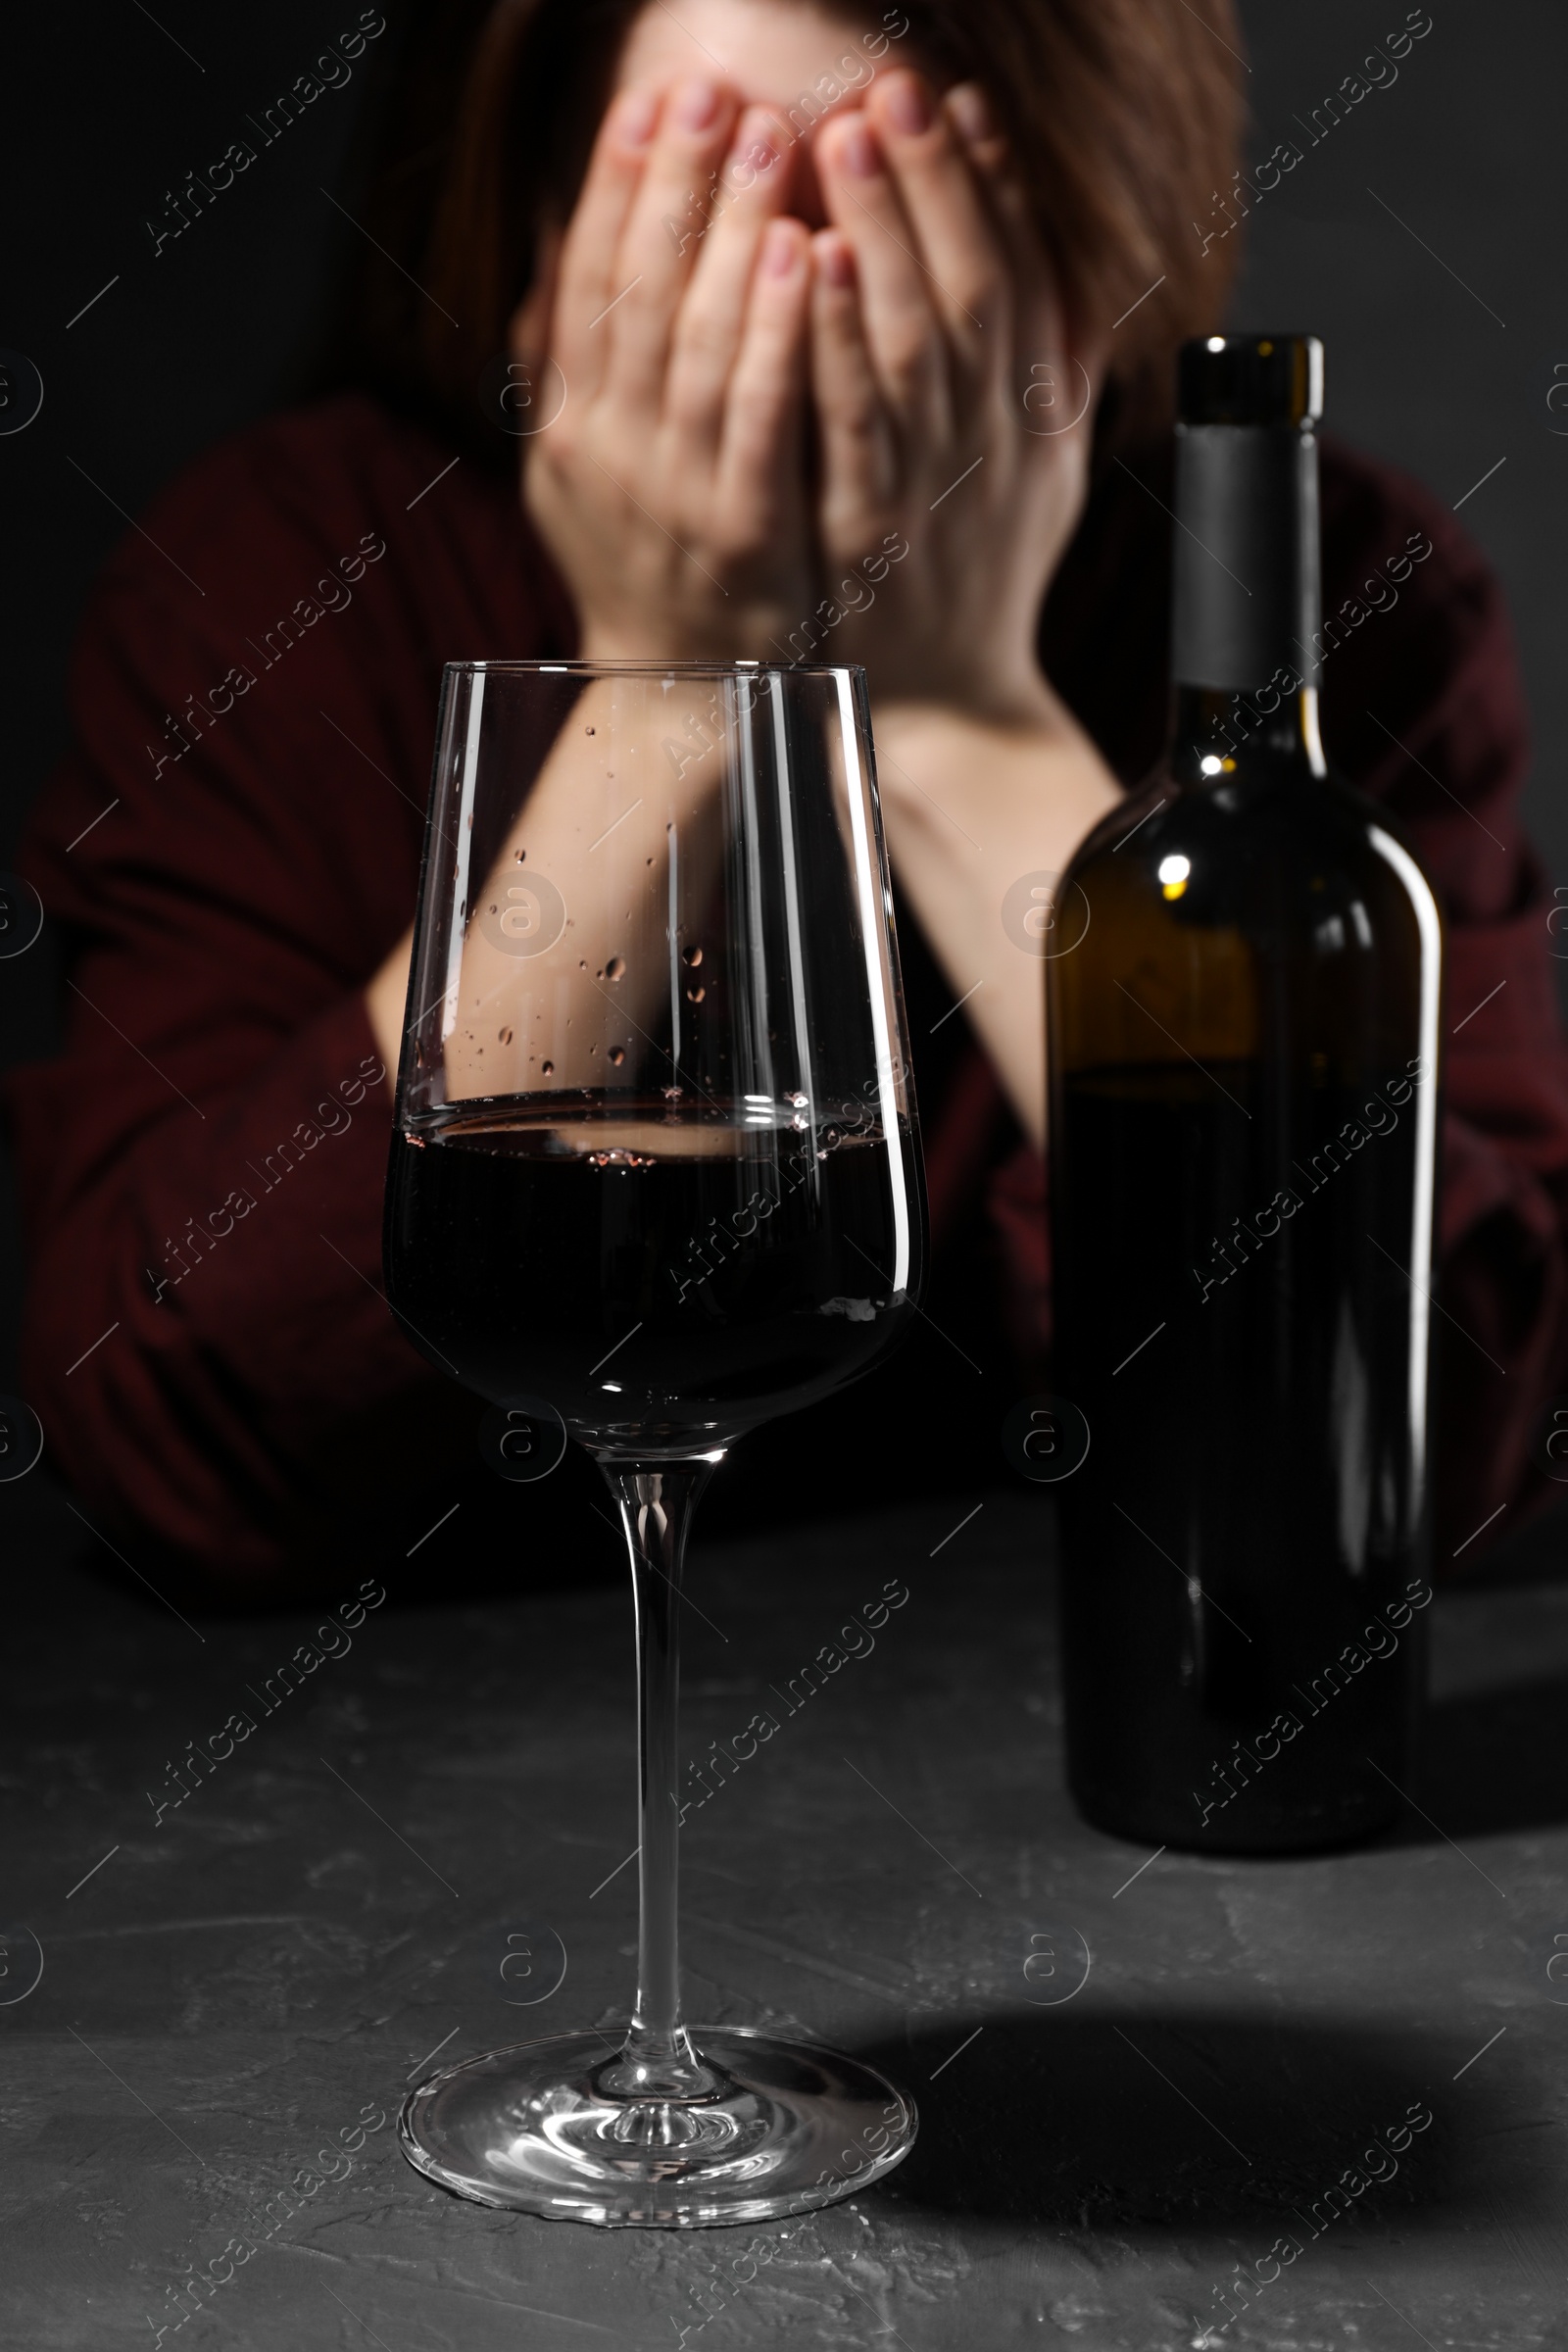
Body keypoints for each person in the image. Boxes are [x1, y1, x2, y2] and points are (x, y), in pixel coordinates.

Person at [7, 0, 1567, 1595]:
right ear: (540, 230)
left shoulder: (1325, 603)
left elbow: (1450, 1450)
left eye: (903, 231)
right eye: (719, 208)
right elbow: (175, 1439)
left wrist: (969, 717)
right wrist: (670, 684)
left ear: (1090, 269)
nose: (804, 332)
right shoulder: (288, 578)